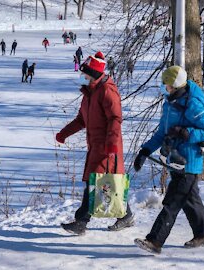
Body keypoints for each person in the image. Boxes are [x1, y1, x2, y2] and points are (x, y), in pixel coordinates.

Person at [134, 65, 204, 254]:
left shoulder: (192, 104)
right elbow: (162, 133)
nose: (164, 87)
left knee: (172, 201)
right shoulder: (169, 104)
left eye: (167, 84)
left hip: (189, 162)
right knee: (190, 198)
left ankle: (155, 241)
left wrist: (186, 132)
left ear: (176, 85)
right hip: (175, 161)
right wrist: (145, 151)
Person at [57, 51, 134, 235]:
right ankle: (126, 216)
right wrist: (63, 134)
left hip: (108, 146)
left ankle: (81, 222)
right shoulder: (89, 94)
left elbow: (115, 119)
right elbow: (81, 120)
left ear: (95, 74)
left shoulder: (107, 90)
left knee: (95, 182)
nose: (83, 77)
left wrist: (112, 145)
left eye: (86, 74)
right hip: (95, 146)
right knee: (101, 182)